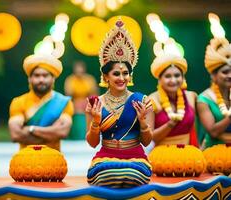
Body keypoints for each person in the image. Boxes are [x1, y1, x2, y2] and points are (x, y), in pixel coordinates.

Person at [85, 20, 153, 188]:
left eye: (125, 73)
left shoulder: (141, 101)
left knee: (131, 174)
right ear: (106, 77)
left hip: (135, 157)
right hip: (105, 157)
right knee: (106, 174)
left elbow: (146, 142)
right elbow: (93, 143)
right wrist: (95, 121)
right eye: (116, 73)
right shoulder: (96, 103)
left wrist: (143, 122)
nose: (122, 78)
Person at [8, 53, 74, 151]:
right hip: (25, 161)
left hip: (54, 161)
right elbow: (15, 135)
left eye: (45, 75)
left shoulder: (63, 102)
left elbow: (62, 132)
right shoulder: (18, 102)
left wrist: (30, 129)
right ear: (29, 79)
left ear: (53, 79)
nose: (41, 80)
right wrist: (51, 132)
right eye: (37, 75)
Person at [149, 39, 198, 146]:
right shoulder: (152, 100)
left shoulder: (191, 96)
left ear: (183, 77)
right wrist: (171, 124)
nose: (173, 80)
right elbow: (150, 138)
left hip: (190, 153)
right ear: (159, 79)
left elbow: (196, 130)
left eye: (177, 75)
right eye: (167, 76)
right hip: (162, 156)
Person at [197, 37, 231, 149]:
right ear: (214, 76)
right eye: (225, 72)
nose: (230, 76)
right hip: (214, 152)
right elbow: (213, 132)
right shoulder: (204, 99)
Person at [64, 60, 98, 139]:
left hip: (87, 102)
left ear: (84, 69)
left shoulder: (89, 79)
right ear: (74, 70)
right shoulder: (70, 80)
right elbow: (68, 95)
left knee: (90, 109)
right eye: (77, 68)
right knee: (75, 108)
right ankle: (76, 135)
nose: (79, 70)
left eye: (80, 68)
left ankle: (90, 134)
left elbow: (94, 94)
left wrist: (89, 103)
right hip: (74, 102)